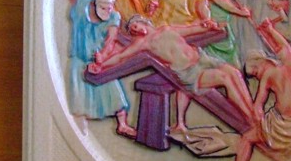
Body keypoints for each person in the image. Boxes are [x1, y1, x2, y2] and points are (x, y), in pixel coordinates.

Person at [88, 15, 257, 133]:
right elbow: (121, 56)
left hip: (202, 58)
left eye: (136, 25)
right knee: (225, 78)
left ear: (143, 21)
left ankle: (253, 111)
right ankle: (250, 118)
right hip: (189, 71)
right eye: (133, 30)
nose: (136, 30)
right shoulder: (143, 44)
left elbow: (191, 29)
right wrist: (101, 64)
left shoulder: (166, 29)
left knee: (234, 72)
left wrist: (208, 25)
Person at [211, 22, 291, 161]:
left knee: (247, 137)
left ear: (263, 62)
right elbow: (283, 46)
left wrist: (255, 117)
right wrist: (269, 29)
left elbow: (257, 108)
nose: (257, 77)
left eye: (256, 72)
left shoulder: (268, 75)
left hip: (282, 125)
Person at [60, 0, 136, 137]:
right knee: (79, 96)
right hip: (80, 60)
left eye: (109, 8)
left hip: (99, 61)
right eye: (103, 7)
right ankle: (79, 129)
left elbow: (111, 40)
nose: (107, 11)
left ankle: (122, 124)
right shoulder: (82, 5)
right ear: (94, 4)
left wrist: (102, 56)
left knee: (114, 91)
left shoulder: (113, 17)